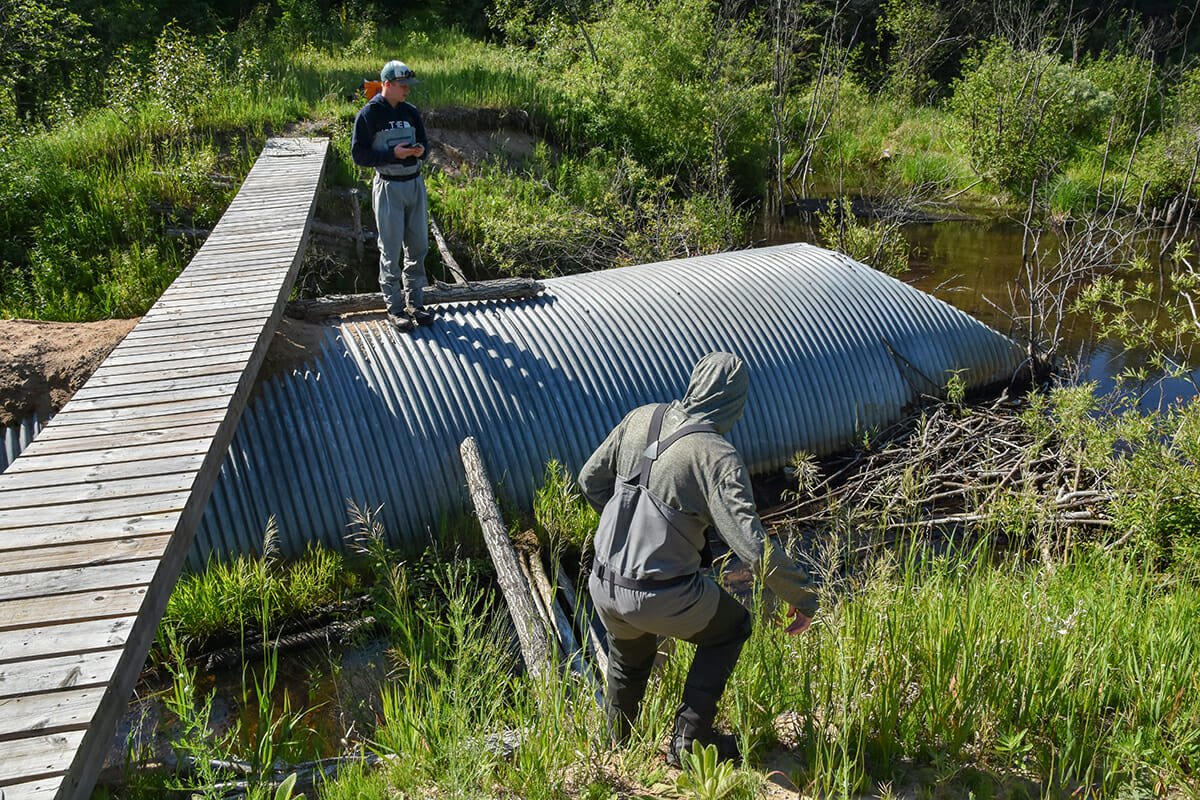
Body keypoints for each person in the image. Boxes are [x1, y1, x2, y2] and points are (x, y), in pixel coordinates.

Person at [578, 352, 819, 768]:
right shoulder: (715, 455)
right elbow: (753, 548)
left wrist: (628, 533)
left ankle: (614, 753)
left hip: (603, 582)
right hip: (660, 594)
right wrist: (803, 597)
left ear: (694, 386)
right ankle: (690, 742)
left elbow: (589, 481)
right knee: (731, 628)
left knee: (628, 663)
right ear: (734, 402)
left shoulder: (641, 417)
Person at [351, 60, 432, 333]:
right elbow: (359, 155)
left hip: (415, 184)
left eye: (409, 85)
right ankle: (395, 308)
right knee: (390, 249)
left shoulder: (411, 111)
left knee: (419, 246)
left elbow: (426, 144)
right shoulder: (369, 114)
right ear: (387, 84)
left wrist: (420, 151)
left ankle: (416, 304)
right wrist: (391, 155)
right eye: (402, 85)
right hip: (388, 187)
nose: (407, 90)